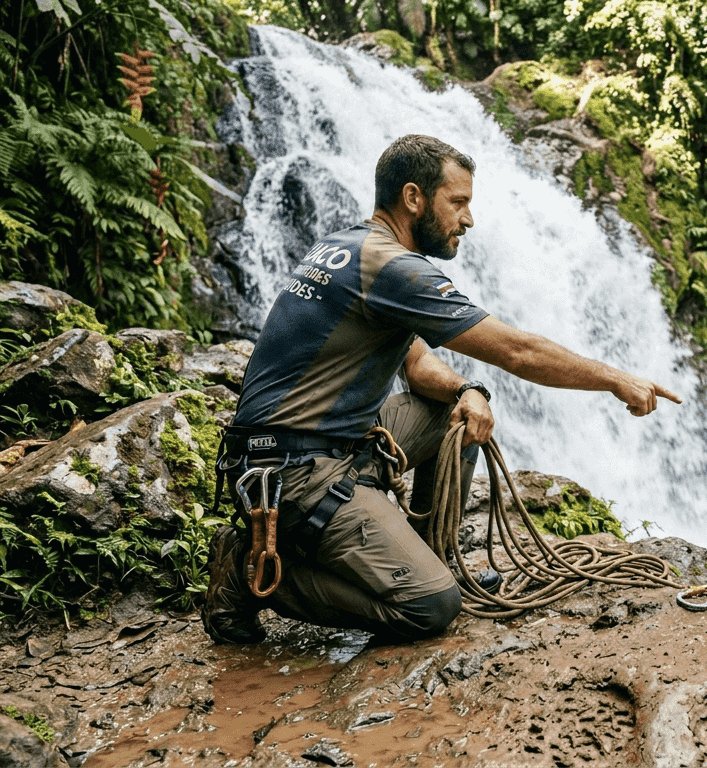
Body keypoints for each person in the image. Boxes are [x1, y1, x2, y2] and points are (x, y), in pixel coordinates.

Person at [203, 134, 681, 645]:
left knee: (454, 418)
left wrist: (465, 390)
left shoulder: (351, 246)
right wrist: (614, 378)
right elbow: (517, 352)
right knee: (429, 607)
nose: (468, 220)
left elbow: (416, 364)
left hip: (318, 446)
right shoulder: (396, 269)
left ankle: (434, 558)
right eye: (458, 203)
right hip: (295, 474)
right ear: (414, 198)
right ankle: (249, 571)